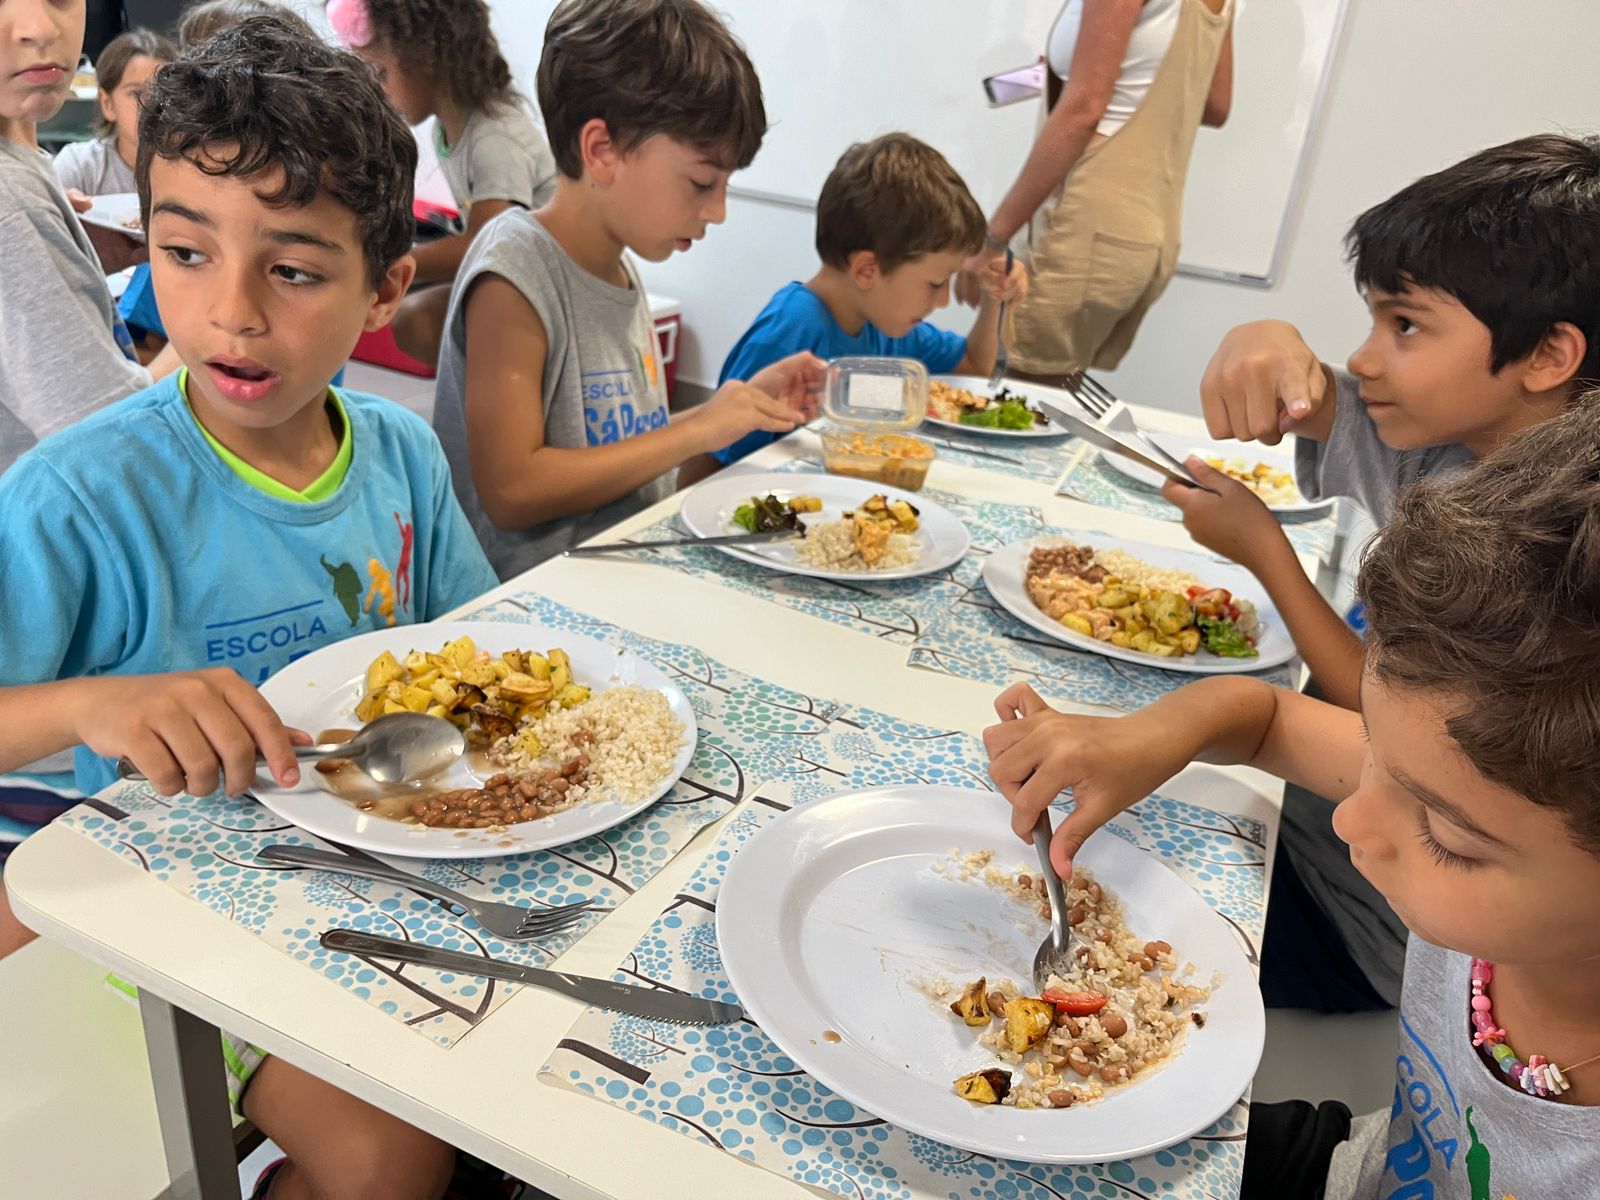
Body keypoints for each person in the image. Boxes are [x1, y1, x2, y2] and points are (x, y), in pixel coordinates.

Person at [0, 20, 498, 1194]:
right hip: (162, 906)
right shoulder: (79, 495)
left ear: (384, 287)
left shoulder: (398, 456)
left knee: (508, 1088)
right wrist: (94, 705)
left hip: (369, 871)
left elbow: (475, 660)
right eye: (184, 252)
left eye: (293, 270)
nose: (231, 312)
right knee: (388, 1162)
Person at [984, 396, 1600, 1199]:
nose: (1352, 820)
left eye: (1446, 838)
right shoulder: (1496, 797)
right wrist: (1145, 738)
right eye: (1375, 757)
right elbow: (1269, 717)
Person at [1163, 134, 1600, 1012]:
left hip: (1369, 915)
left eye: (1405, 325)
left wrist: (1265, 552)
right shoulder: (1448, 444)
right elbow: (1312, 392)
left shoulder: (1555, 559)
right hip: (1319, 812)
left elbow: (1387, 721)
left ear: (1548, 356)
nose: (1365, 359)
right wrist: (1265, 337)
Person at [432, 0, 823, 580]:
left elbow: (634, 461)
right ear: (602, 150)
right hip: (535, 606)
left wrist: (736, 408)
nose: (717, 211)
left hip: (625, 575)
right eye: (702, 181)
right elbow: (512, 491)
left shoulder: (620, 270)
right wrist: (698, 425)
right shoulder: (514, 270)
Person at [695, 132, 1027, 472]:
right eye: (936, 283)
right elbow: (704, 469)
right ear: (867, 270)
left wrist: (996, 301)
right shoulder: (789, 334)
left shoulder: (883, 323)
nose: (942, 301)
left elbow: (975, 366)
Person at [957, 0, 1233, 381]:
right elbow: (1215, 104)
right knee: (1045, 391)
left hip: (1081, 225)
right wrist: (1057, 74)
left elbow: (1084, 110)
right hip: (1144, 236)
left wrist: (991, 239)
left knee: (1004, 388)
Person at [0, 0, 179, 477]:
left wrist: (73, 256)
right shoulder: (12, 200)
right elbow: (109, 440)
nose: (40, 29)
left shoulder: (25, 166)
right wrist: (207, 330)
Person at [329, 0, 558, 367]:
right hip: (518, 280)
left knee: (413, 318)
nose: (378, 90)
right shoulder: (448, 130)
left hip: (546, 290)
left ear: (426, 57)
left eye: (381, 73)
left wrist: (391, 262)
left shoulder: (494, 138)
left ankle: (504, 381)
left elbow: (487, 245)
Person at [51, 26, 174, 195]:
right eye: (137, 93)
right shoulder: (79, 166)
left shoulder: (191, 167)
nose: (152, 105)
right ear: (108, 104)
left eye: (163, 93)